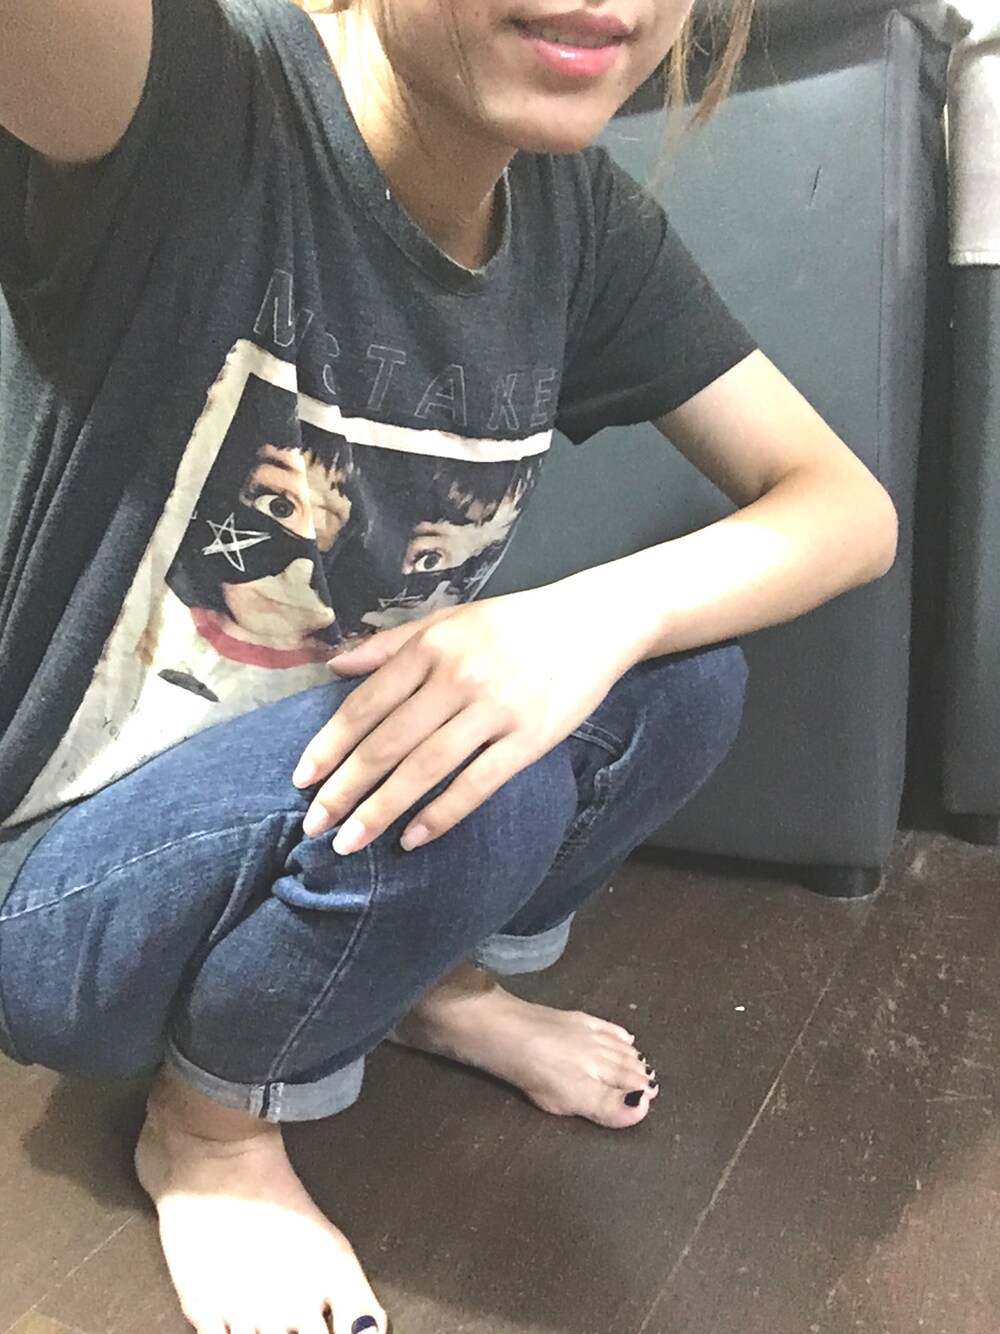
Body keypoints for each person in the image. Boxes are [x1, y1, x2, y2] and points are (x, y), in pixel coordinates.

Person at [0, 0, 898, 1329]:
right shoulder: (189, 98)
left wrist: (586, 619)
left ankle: (431, 984)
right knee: (489, 779)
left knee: (683, 676)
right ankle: (211, 1132)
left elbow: (846, 508)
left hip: (326, 777)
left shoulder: (580, 227)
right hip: (61, 893)